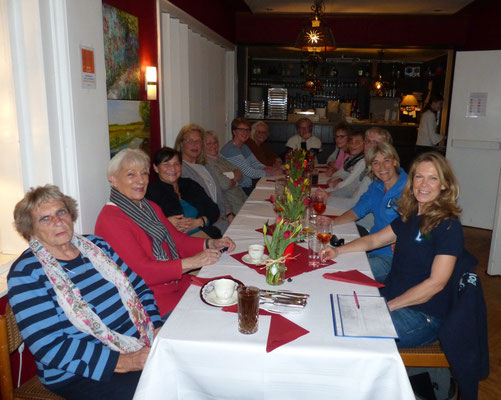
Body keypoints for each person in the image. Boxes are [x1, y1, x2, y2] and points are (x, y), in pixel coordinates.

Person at [7, 185, 162, 399]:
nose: (58, 221)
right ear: (30, 229)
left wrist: (157, 326)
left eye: (61, 212)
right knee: (161, 388)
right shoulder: (26, 273)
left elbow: (140, 288)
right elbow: (50, 346)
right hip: (80, 372)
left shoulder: (97, 246)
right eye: (45, 218)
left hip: (140, 340)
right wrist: (125, 362)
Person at [324, 152, 465, 348]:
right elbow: (373, 240)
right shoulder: (411, 216)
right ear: (411, 180)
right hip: (392, 297)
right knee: (331, 306)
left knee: (350, 337)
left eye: (433, 178)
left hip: (422, 314)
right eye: (419, 177)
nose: (424, 184)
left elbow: (436, 284)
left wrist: (389, 306)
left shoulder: (448, 226)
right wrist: (338, 251)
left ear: (444, 185)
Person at [95, 149, 235, 318]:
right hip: (151, 301)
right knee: (218, 316)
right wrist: (192, 262)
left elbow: (178, 241)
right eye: (131, 175)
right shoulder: (111, 220)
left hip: (175, 285)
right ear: (114, 180)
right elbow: (142, 272)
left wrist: (211, 244)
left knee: (232, 293)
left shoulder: (150, 207)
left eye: (144, 173)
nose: (140, 180)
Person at [331, 142, 408, 281]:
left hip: (391, 259)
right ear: (371, 167)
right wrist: (330, 223)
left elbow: (418, 226)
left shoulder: (409, 188)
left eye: (386, 161)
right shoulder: (376, 186)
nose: (382, 167)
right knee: (333, 261)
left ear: (395, 161)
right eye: (376, 163)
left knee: (341, 273)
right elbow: (355, 212)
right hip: (370, 249)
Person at [146, 147, 221, 239]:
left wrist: (200, 222)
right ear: (155, 168)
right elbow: (146, 224)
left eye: (176, 164)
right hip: (177, 244)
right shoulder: (150, 193)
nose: (172, 168)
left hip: (205, 235)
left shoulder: (189, 184)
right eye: (166, 164)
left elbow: (214, 209)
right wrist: (166, 222)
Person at [174, 123, 232, 233]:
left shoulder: (205, 166)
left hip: (223, 217)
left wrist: (229, 213)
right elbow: (194, 203)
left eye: (198, 141)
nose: (195, 145)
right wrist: (216, 218)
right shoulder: (180, 169)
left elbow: (220, 193)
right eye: (190, 141)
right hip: (207, 224)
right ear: (181, 144)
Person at [220, 117, 281, 196]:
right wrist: (270, 173)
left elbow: (255, 163)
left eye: (247, 130)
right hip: (237, 190)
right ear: (234, 132)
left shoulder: (244, 146)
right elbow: (250, 172)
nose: (245, 132)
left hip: (247, 186)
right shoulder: (231, 150)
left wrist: (266, 168)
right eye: (241, 130)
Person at [204, 130, 247, 215]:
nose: (213, 145)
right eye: (208, 143)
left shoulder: (221, 159)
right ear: (202, 146)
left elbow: (241, 175)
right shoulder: (206, 164)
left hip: (243, 200)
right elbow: (225, 184)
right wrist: (234, 178)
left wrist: (229, 176)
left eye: (215, 142)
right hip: (233, 207)